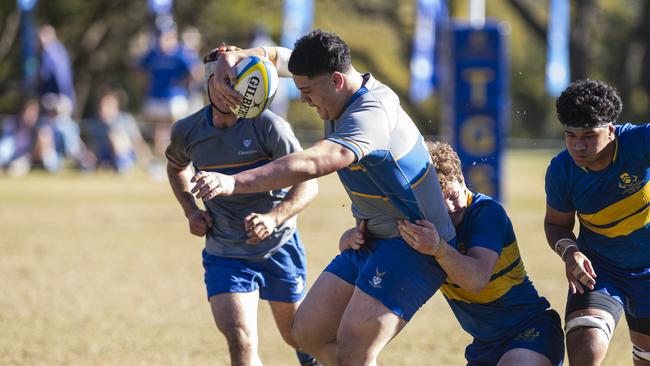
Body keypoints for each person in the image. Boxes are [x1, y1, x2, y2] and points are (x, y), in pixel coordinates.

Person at [197, 29, 456, 365]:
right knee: (306, 333)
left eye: (306, 92)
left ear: (335, 80)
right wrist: (235, 57)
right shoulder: (334, 82)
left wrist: (233, 183)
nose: (303, 99)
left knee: (354, 346)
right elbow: (275, 58)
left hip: (416, 243)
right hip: (371, 240)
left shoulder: (372, 113)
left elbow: (315, 161)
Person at [340, 141, 565, 366]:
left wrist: (438, 248)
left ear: (462, 179)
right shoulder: (423, 224)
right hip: (484, 345)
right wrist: (351, 238)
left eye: (452, 195)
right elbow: (375, 250)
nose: (448, 207)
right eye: (439, 202)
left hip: (531, 329)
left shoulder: (486, 213)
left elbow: (476, 279)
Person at [165, 49, 320, 366]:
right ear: (209, 80)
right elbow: (175, 166)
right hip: (226, 253)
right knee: (241, 339)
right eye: (220, 83)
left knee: (299, 337)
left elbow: (309, 181)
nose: (226, 92)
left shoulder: (270, 127)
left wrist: (274, 218)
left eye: (235, 84)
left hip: (279, 247)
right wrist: (191, 210)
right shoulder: (188, 130)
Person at [544, 79, 650, 366]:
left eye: (589, 136)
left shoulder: (639, 143)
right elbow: (556, 225)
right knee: (584, 348)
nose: (578, 146)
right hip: (600, 267)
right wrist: (570, 252)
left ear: (611, 131)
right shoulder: (561, 171)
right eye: (570, 135)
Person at [139, 16, 194, 158]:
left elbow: (194, 70)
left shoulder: (180, 52)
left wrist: (183, 83)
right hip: (156, 97)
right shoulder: (153, 53)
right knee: (158, 131)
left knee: (176, 130)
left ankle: (177, 158)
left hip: (175, 98)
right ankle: (161, 159)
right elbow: (140, 68)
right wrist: (147, 81)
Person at [84, 90, 153, 174]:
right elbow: (91, 145)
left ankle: (123, 165)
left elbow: (138, 142)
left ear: (115, 106)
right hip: (102, 155)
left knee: (115, 136)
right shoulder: (95, 122)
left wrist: (146, 160)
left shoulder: (126, 120)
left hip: (125, 153)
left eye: (107, 105)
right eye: (101, 106)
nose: (103, 109)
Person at [37, 24, 76, 110]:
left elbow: (46, 75)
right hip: (65, 96)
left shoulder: (49, 52)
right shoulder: (61, 50)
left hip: (55, 97)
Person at [0, 99, 39, 176]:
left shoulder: (38, 129)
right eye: (29, 111)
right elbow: (4, 147)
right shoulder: (11, 125)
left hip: (23, 159)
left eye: (34, 113)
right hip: (6, 157)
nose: (32, 115)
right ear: (23, 112)